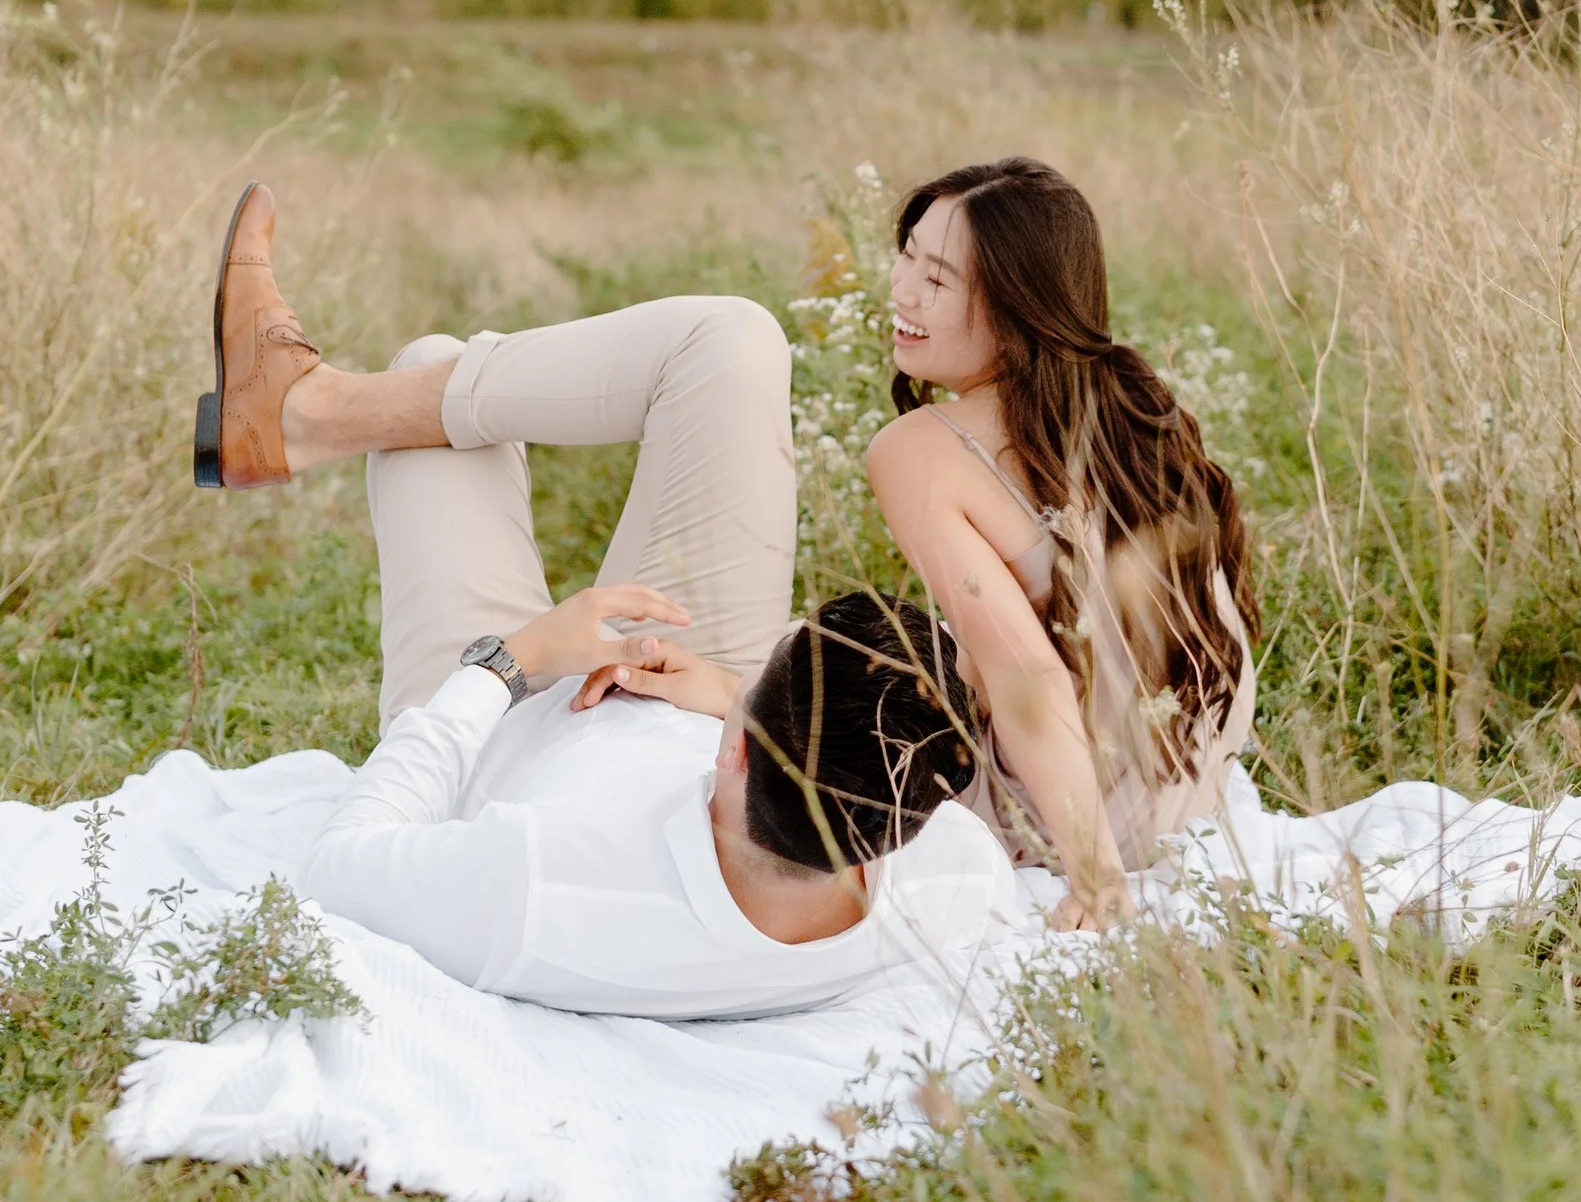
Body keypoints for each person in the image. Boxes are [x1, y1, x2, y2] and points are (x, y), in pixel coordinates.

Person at [195, 185, 1015, 1016]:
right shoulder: (944, 865)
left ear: (733, 757)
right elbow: (891, 770)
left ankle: (302, 412)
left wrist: (516, 660)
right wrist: (730, 696)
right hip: (689, 691)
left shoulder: (539, 888)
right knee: (730, 341)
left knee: (428, 371)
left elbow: (338, 868)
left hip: (505, 721)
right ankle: (300, 412)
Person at [866, 158, 1258, 927]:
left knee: (818, 685)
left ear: (1015, 311)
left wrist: (1095, 880)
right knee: (932, 646)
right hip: (1185, 783)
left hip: (1064, 816)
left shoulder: (918, 449)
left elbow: (1027, 674)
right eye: (906, 253)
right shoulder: (1131, 403)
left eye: (937, 280)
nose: (901, 291)